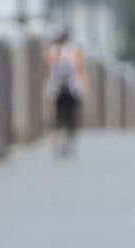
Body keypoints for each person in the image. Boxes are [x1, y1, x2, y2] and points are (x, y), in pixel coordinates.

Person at [45, 29, 87, 157]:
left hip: (59, 88)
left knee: (59, 117)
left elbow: (48, 68)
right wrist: (84, 88)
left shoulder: (53, 51)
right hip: (70, 88)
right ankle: (65, 143)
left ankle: (58, 144)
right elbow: (81, 70)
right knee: (69, 117)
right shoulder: (73, 52)